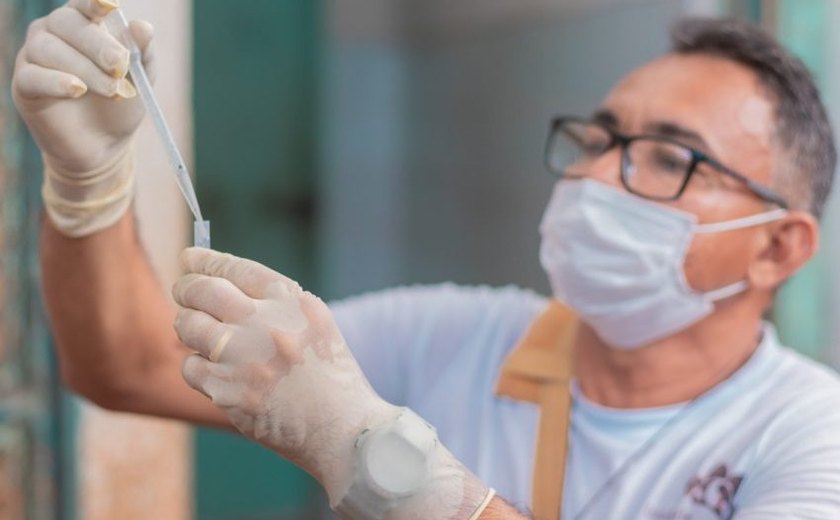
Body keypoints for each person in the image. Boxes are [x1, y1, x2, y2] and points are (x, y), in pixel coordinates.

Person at [12, 1, 840, 518]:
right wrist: (89, 181)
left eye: (667, 157)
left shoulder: (810, 436)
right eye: (600, 138)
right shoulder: (460, 336)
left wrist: (380, 458)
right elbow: (125, 366)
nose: (594, 176)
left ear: (778, 245)